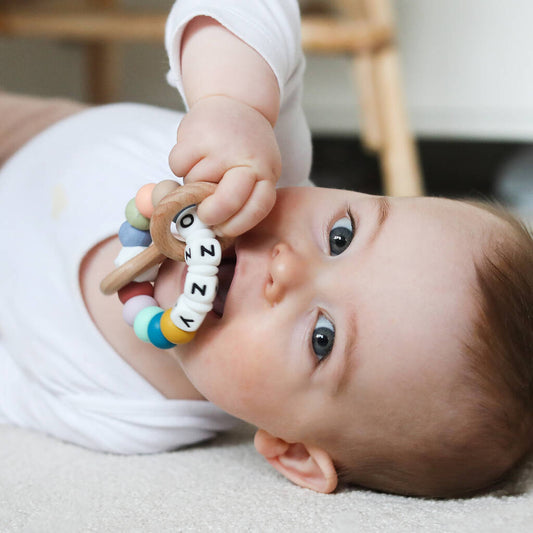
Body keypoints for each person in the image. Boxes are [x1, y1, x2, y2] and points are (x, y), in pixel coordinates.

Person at [1, 0, 532, 499]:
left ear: (294, 451)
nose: (288, 266)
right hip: (28, 133)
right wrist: (235, 104)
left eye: (322, 339)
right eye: (340, 237)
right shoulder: (263, 151)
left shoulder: (135, 417)